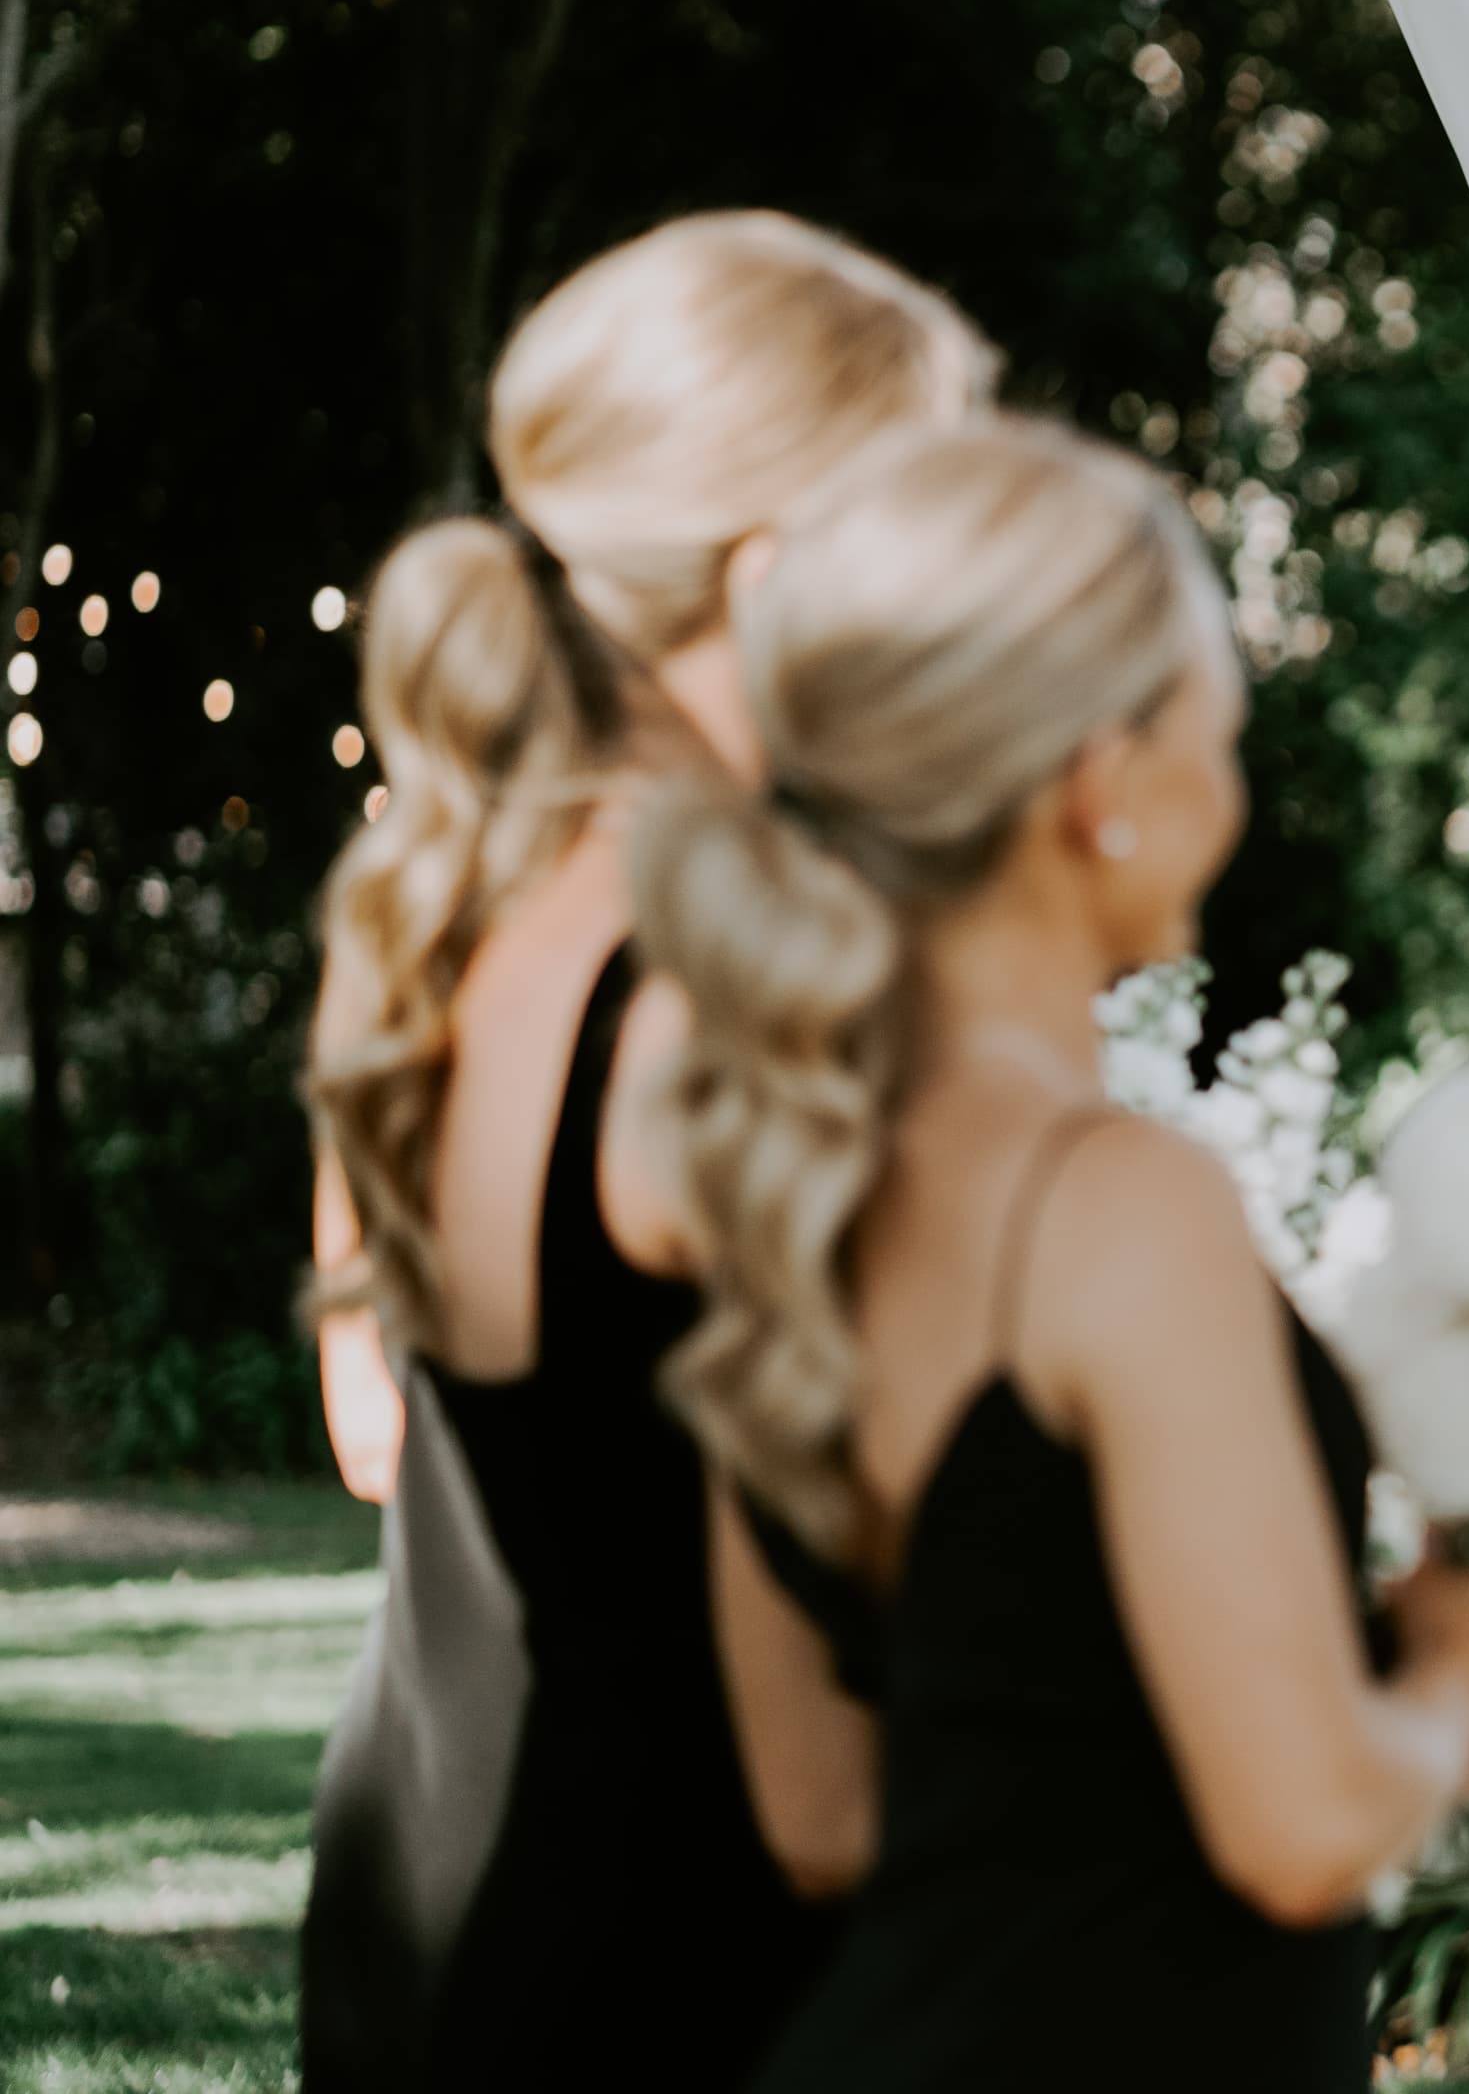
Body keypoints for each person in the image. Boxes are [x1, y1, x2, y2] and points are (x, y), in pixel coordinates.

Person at [634, 417, 1469, 2091]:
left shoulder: (784, 1169)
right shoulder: (1116, 1201)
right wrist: (1459, 1673)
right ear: (1102, 784)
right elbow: (1297, 1832)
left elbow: (820, 1809)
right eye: (1220, 728)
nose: (1237, 779)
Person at [297, 211, 995, 2091]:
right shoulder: (726, 1011)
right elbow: (839, 1763)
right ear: (773, 574)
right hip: (689, 1970)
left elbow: (405, 1443)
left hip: (425, 1881)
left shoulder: (447, 930)